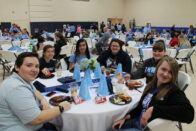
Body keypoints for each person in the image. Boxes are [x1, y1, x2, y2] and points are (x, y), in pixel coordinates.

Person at [111, 56, 194, 131]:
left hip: (147, 128)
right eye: (164, 69)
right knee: (113, 126)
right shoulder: (151, 85)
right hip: (137, 121)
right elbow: (140, 107)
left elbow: (189, 114)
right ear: (157, 68)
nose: (165, 74)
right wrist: (125, 118)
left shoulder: (173, 91)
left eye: (170, 72)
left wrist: (153, 110)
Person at [0, 52, 71, 131]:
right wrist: (61, 107)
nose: (34, 70)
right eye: (29, 65)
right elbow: (37, 119)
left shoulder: (22, 79)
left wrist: (42, 99)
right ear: (17, 67)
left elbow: (35, 90)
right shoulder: (16, 87)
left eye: (37, 66)